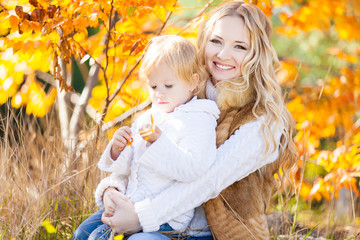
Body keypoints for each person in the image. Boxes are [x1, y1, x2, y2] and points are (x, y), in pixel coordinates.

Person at [96, 1, 299, 240]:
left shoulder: (264, 120)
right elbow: (141, 156)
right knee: (86, 232)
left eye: (240, 46)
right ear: (204, 41)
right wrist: (113, 189)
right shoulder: (182, 89)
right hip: (159, 213)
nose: (223, 54)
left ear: (256, 54)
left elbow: (207, 180)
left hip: (217, 232)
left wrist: (140, 216)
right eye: (216, 41)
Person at [72, 35, 220, 240]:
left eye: (168, 86)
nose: (159, 94)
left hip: (167, 217)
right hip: (131, 200)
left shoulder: (198, 119)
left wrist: (159, 143)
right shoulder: (148, 117)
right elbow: (130, 167)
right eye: (153, 87)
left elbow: (194, 168)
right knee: (83, 233)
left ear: (192, 82)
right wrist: (118, 149)